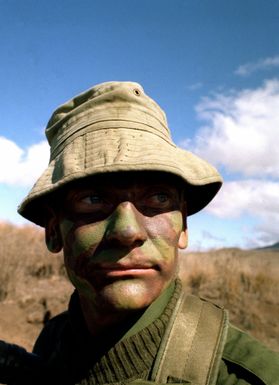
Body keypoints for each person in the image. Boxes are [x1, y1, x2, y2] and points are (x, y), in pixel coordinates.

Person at [15, 81, 278, 385]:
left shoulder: (246, 377)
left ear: (183, 227)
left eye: (158, 198)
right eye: (93, 199)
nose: (127, 232)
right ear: (53, 232)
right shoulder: (53, 342)